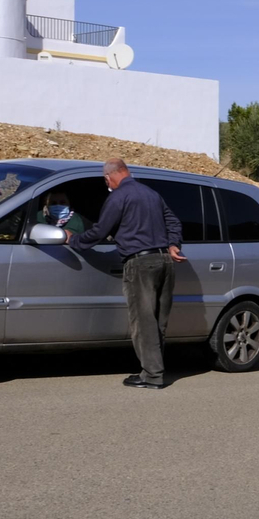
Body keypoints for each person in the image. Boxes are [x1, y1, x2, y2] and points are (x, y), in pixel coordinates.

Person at [65, 159, 184, 389]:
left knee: (143, 321)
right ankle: (154, 369)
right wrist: (173, 244)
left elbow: (100, 230)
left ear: (109, 177)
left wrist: (75, 240)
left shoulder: (118, 197)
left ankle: (152, 376)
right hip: (166, 262)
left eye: (106, 180)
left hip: (141, 263)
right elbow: (173, 221)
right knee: (158, 321)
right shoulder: (151, 194)